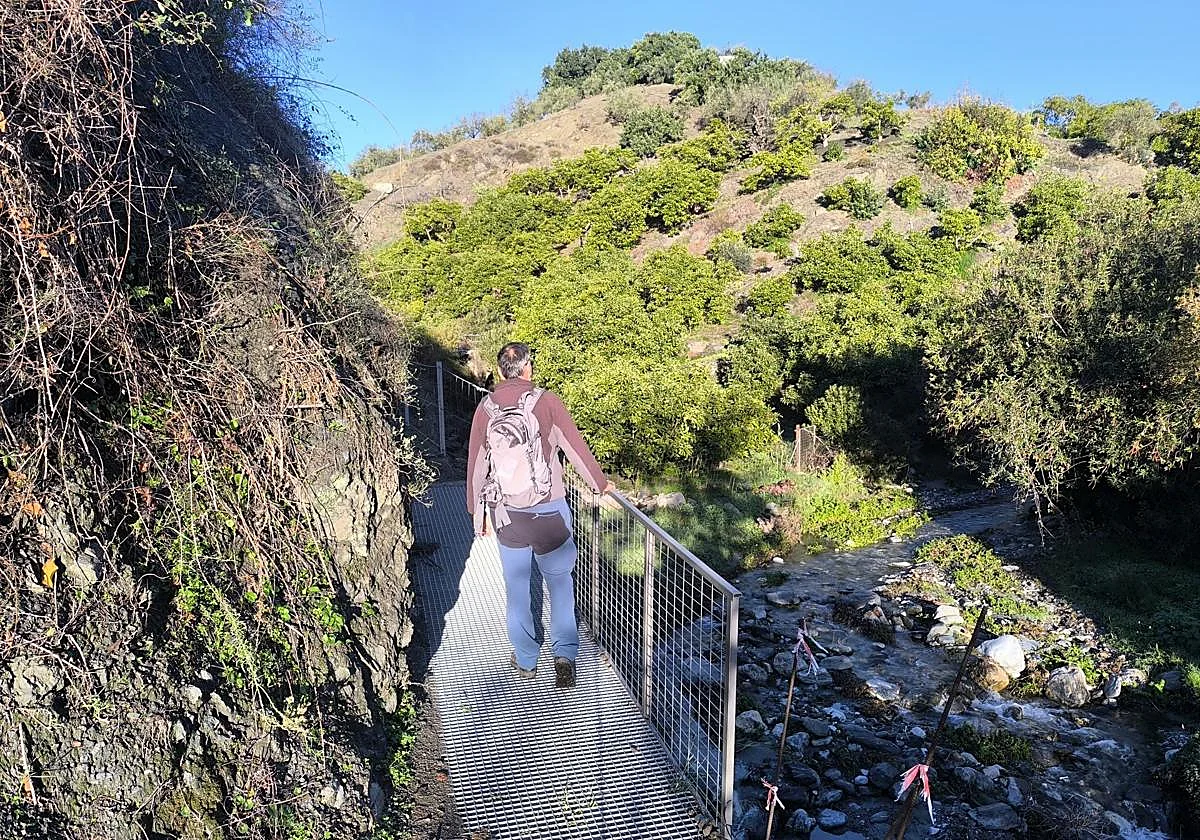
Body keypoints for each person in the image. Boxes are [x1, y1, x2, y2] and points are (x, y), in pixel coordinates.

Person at [466, 342, 612, 689]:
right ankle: (564, 656)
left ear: (500, 371)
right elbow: (575, 447)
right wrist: (599, 484)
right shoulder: (547, 401)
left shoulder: (485, 409)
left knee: (517, 589)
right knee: (560, 585)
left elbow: (475, 465)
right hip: (550, 511)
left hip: (507, 515)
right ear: (528, 368)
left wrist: (477, 514)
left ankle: (527, 659)